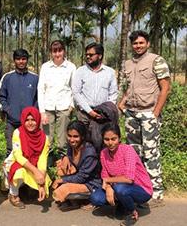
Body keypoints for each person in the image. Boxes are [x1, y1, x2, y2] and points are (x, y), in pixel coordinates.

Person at [118, 30, 170, 206]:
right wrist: (122, 102)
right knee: (134, 154)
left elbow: (165, 88)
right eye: (135, 43)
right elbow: (129, 87)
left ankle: (156, 193)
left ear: (147, 43)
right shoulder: (128, 64)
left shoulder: (156, 61)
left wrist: (155, 113)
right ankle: (141, 190)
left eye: (141, 43)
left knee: (151, 153)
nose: (138, 46)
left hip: (148, 112)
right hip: (132, 113)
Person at [90, 124, 153, 226]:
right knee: (95, 198)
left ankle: (132, 213)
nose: (110, 143)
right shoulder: (103, 153)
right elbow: (105, 175)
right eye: (107, 139)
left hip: (141, 189)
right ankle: (122, 204)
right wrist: (109, 187)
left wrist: (108, 181)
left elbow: (129, 179)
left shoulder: (128, 150)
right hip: (117, 186)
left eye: (113, 139)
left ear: (119, 138)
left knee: (121, 189)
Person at [72, 42, 118, 152]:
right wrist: (90, 111)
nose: (88, 57)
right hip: (84, 114)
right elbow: (76, 93)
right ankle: (85, 166)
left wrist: (106, 110)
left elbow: (113, 93)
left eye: (91, 55)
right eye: (86, 54)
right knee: (83, 141)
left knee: (102, 141)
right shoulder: (80, 71)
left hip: (103, 115)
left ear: (100, 56)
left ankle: (102, 165)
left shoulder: (109, 72)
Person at [4, 107, 51, 209]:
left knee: (44, 180)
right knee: (19, 172)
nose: (30, 123)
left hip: (32, 165)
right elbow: (18, 156)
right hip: (15, 163)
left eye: (33, 120)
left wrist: (41, 182)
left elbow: (42, 159)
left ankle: (26, 188)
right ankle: (13, 194)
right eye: (27, 120)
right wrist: (36, 172)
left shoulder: (44, 138)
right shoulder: (18, 132)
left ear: (38, 120)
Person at [0, 49, 39, 155]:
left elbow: (40, 98)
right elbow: (0, 97)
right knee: (11, 150)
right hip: (12, 121)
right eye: (18, 59)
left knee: (29, 149)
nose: (21, 61)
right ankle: (9, 170)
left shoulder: (35, 78)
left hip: (30, 122)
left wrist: (34, 112)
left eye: (23, 59)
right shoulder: (7, 77)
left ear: (27, 60)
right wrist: (8, 110)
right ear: (14, 60)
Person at [52, 121, 101, 211]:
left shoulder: (89, 153)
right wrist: (65, 157)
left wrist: (62, 180)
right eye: (69, 136)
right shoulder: (72, 146)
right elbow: (68, 158)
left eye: (75, 136)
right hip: (79, 178)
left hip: (91, 183)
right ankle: (74, 199)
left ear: (82, 137)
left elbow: (81, 177)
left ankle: (82, 200)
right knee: (61, 167)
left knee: (63, 189)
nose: (71, 139)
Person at [37, 40, 76, 153]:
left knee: (63, 140)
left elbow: (74, 88)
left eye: (60, 51)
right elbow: (41, 89)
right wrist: (42, 112)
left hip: (64, 108)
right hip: (48, 108)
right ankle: (46, 164)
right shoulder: (45, 67)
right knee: (45, 140)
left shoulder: (71, 67)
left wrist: (71, 107)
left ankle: (62, 163)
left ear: (64, 51)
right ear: (51, 53)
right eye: (54, 51)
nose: (57, 54)